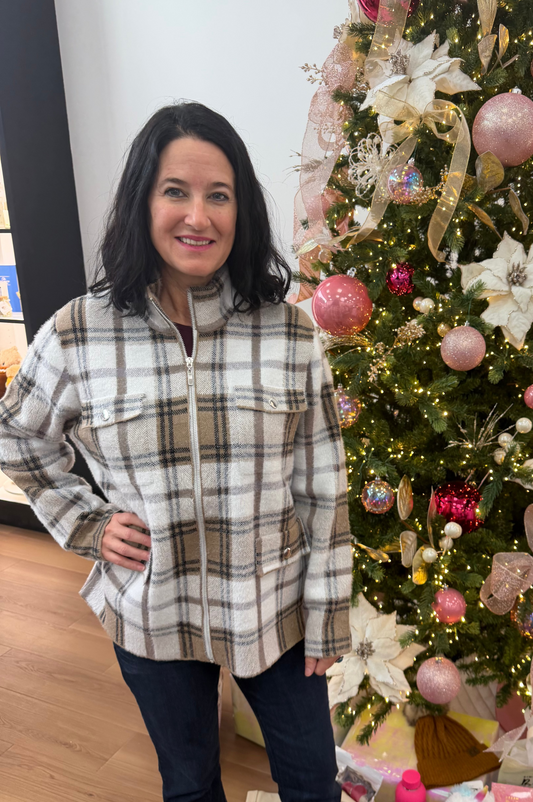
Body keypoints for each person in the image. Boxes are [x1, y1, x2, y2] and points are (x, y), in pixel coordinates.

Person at [0, 102, 353, 802]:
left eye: (217, 195)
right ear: (142, 201)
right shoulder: (79, 332)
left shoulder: (288, 334)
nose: (199, 215)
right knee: (189, 785)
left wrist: (327, 612)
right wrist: (88, 523)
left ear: (240, 209)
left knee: (311, 781)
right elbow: (17, 433)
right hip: (152, 609)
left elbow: (322, 487)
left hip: (273, 605)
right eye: (175, 191)